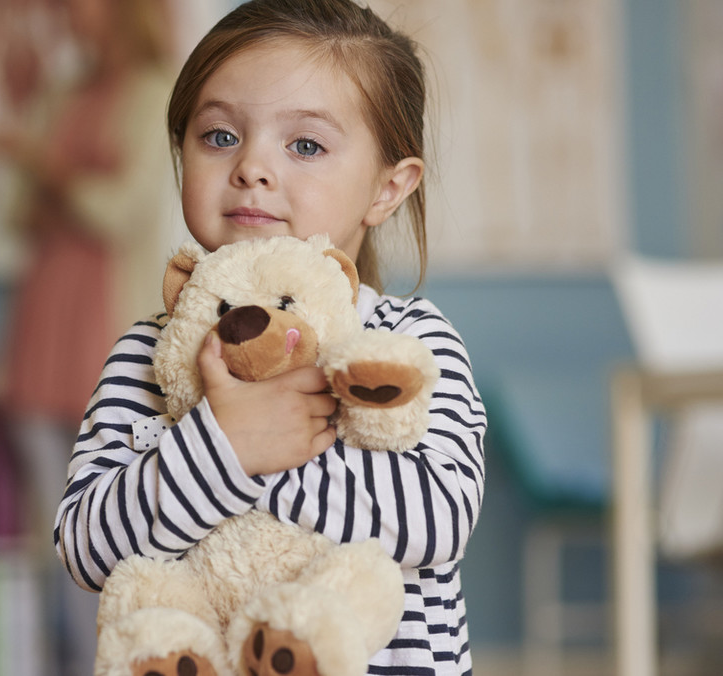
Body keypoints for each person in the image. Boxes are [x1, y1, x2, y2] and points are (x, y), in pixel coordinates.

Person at [53, 0, 486, 674]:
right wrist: (222, 445)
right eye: (219, 136)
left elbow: (438, 520)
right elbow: (86, 549)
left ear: (388, 188)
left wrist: (268, 451)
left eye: (305, 145)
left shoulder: (406, 341)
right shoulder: (147, 356)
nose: (251, 166)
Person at [0, 0, 184, 674]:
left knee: (121, 528)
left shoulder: (159, 92)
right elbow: (18, 212)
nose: (70, 14)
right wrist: (47, 179)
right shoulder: (62, 94)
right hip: (42, 325)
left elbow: (120, 210)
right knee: (52, 533)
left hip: (107, 329)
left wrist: (45, 169)